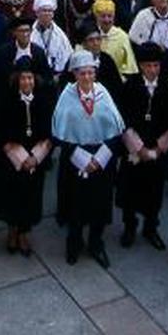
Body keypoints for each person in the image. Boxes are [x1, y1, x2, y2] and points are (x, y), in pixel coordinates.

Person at [51, 49, 124, 267]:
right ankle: (74, 242)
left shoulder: (103, 93)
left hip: (102, 159)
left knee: (100, 203)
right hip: (75, 159)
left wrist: (99, 159)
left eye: (91, 73)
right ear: (75, 74)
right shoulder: (67, 96)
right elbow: (61, 134)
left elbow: (115, 130)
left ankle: (96, 242)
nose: (87, 78)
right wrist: (83, 159)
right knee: (76, 204)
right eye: (82, 73)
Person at [116, 41, 168, 249]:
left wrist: (158, 149)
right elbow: (124, 120)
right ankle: (129, 227)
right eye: (148, 65)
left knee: (154, 191)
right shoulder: (130, 86)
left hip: (156, 149)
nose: (153, 70)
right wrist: (138, 148)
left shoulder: (167, 88)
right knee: (130, 189)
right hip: (134, 149)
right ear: (141, 66)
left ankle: (151, 228)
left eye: (156, 65)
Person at [0, 64, 54, 257]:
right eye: (23, 78)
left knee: (32, 196)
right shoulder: (7, 101)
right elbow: (0, 132)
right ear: (16, 80)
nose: (27, 82)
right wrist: (20, 156)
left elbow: (49, 133)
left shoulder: (43, 101)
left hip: (36, 159)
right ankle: (12, 230)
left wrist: (36, 157)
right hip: (13, 161)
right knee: (13, 196)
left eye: (30, 78)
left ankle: (25, 232)